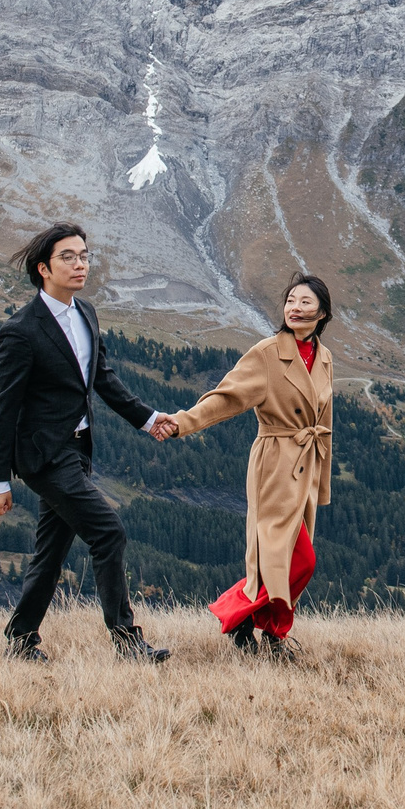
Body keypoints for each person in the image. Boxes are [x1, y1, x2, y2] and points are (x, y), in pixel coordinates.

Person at [0, 222, 173, 663]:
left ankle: (19, 639)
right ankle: (128, 645)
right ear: (43, 269)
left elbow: (102, 378)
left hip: (77, 451)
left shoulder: (86, 313)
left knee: (51, 553)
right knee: (108, 533)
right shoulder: (21, 330)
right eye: (68, 256)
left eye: (84, 255)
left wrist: (147, 420)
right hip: (43, 456)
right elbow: (4, 406)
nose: (80, 263)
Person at [153, 273, 334, 655]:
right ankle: (240, 615)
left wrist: (322, 482)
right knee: (296, 558)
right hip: (274, 463)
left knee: (290, 558)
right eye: (290, 301)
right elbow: (227, 398)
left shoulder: (324, 357)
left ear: (322, 313)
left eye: (305, 302)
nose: (295, 308)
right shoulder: (267, 353)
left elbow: (324, 424)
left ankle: (268, 634)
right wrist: (182, 423)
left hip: (305, 464)